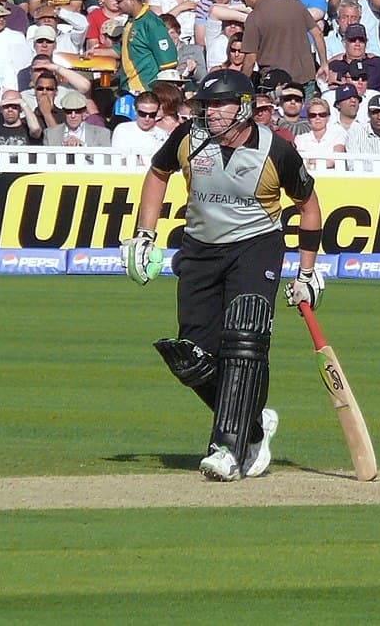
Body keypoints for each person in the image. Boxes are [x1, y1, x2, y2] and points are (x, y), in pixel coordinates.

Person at [123, 70, 323, 482]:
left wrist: (307, 271)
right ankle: (253, 425)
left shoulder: (276, 151)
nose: (210, 113)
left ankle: (227, 448)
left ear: (244, 108)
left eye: (219, 105)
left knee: (244, 340)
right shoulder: (188, 138)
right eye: (207, 105)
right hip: (199, 249)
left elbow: (308, 205)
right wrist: (145, 233)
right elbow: (158, 174)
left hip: (256, 246)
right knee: (190, 357)